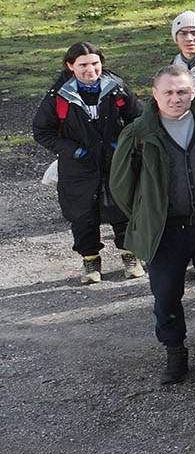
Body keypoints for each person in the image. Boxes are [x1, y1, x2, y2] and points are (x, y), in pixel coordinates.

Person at [108, 66, 195, 385]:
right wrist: (148, 214)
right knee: (166, 295)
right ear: (154, 95)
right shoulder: (139, 132)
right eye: (168, 92)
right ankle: (175, 352)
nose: (175, 98)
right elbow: (121, 186)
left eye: (182, 91)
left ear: (193, 92)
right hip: (166, 231)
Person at [34, 41, 141, 283]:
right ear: (70, 66)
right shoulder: (58, 96)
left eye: (95, 63)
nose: (90, 69)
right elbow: (42, 131)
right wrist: (74, 151)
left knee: (123, 209)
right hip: (78, 167)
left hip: (115, 162)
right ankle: (90, 262)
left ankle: (130, 255)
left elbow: (138, 120)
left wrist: (122, 145)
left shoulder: (117, 88)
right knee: (82, 216)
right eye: (83, 65)